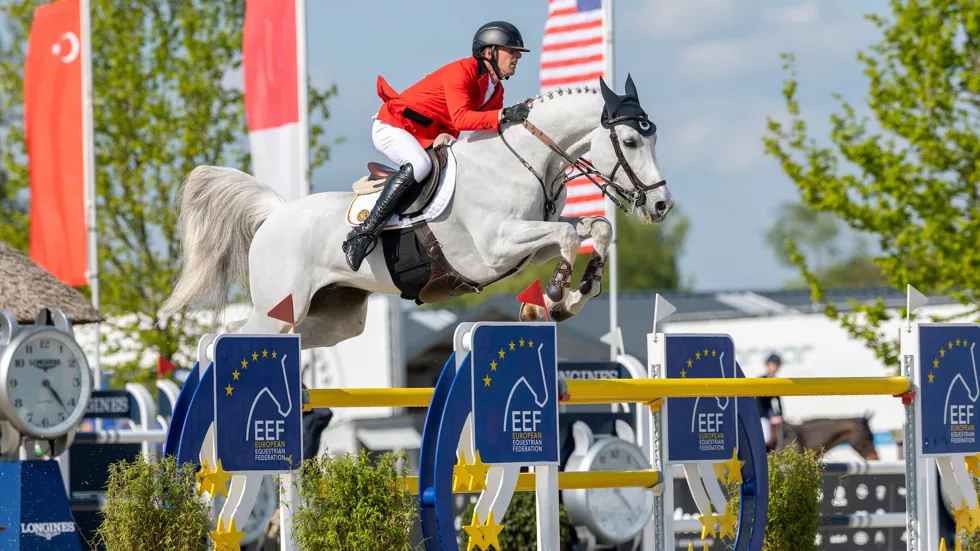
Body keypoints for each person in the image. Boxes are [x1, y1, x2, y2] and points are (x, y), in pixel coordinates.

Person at [341, 21, 533, 272]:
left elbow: (487, 130)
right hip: (394, 125)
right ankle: (363, 234)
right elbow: (461, 119)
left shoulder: (495, 90)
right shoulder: (462, 71)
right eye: (511, 50)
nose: (518, 56)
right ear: (489, 52)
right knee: (420, 164)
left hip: (426, 135)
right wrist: (504, 114)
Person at [757, 353, 784, 451]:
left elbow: (778, 401)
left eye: (776, 365)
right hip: (761, 415)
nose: (774, 367)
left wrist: (780, 415)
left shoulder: (776, 381)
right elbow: (758, 402)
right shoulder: (761, 380)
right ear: (767, 365)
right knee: (766, 436)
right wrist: (769, 418)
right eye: (772, 364)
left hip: (771, 414)